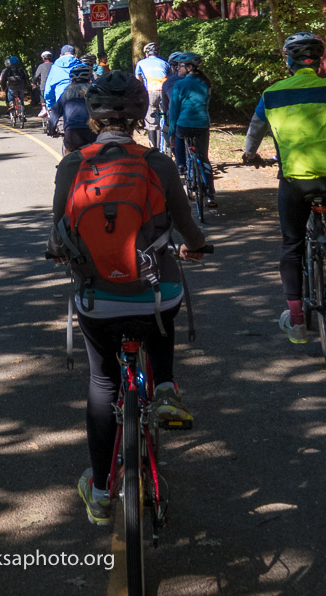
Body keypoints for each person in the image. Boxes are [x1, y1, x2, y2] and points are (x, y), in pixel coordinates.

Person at [46, 70, 208, 526]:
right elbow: (187, 226)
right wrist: (195, 247)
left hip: (98, 300)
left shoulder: (72, 165)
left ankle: (99, 491)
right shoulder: (157, 164)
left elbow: (58, 232)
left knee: (102, 383)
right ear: (139, 115)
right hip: (156, 294)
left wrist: (58, 252)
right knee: (162, 314)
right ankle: (165, 389)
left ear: (94, 118)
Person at [242, 32, 326, 345]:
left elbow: (255, 129)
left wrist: (250, 154)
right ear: (320, 62)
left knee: (292, 243)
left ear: (288, 61)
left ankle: (296, 320)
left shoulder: (272, 94)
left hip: (296, 179)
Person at [168, 52, 217, 207]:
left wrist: (171, 132)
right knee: (203, 157)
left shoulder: (179, 85)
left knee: (182, 142)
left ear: (189, 67)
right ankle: (210, 194)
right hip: (202, 124)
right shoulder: (205, 83)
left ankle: (183, 167)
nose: (176, 69)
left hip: (184, 124)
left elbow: (174, 110)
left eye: (179, 66)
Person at [46, 63, 97, 153]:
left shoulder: (66, 94)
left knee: (68, 158)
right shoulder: (95, 93)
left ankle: (65, 166)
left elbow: (55, 113)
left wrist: (51, 129)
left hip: (72, 132)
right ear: (89, 80)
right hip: (93, 131)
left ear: (72, 81)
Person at [134, 41, 172, 150]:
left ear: (147, 54)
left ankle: (153, 147)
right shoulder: (165, 63)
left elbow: (138, 79)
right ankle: (169, 141)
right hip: (165, 91)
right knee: (167, 114)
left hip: (151, 91)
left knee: (150, 119)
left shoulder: (141, 63)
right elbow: (170, 78)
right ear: (158, 53)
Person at [44, 45, 82, 111]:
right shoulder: (81, 66)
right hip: (80, 105)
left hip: (61, 105)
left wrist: (50, 105)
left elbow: (48, 91)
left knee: (56, 120)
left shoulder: (55, 68)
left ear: (60, 56)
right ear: (75, 55)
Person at [34, 51, 54, 116]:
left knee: (42, 95)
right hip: (53, 85)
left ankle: (43, 108)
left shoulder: (41, 66)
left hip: (44, 85)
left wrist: (33, 82)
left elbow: (36, 76)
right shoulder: (54, 65)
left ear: (43, 58)